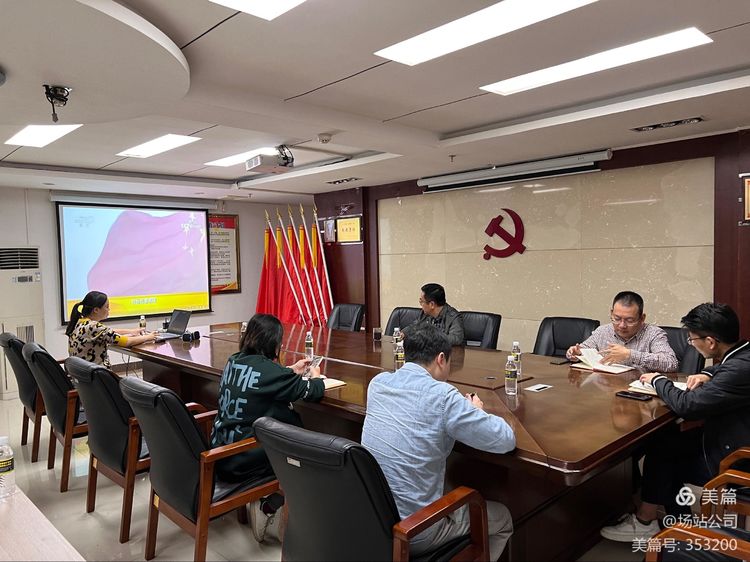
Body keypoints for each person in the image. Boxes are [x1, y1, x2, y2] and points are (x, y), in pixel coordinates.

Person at [362, 323, 515, 560]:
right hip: (414, 531)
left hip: (373, 521)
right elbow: (505, 439)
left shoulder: (378, 383)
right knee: (502, 518)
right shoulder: (443, 396)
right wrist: (476, 411)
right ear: (441, 359)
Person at [600, 302, 750, 542]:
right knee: (664, 443)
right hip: (730, 436)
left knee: (664, 457)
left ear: (710, 342)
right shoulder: (743, 353)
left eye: (692, 339)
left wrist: (658, 381)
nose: (691, 343)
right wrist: (707, 373)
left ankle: (650, 522)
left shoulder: (738, 369)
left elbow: (687, 406)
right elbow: (726, 370)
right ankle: (678, 528)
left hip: (735, 457)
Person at [210, 313, 327, 543]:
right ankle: (271, 506)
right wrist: (316, 376)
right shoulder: (269, 372)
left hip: (220, 452)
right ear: (275, 343)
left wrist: (290, 370)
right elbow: (313, 391)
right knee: (305, 451)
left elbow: (262, 377)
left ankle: (270, 504)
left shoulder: (234, 360)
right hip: (244, 460)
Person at [566, 291, 677, 372]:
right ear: (611, 313)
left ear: (642, 318)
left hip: (638, 390)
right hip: (607, 389)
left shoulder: (653, 334)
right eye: (617, 319)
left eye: (630, 320)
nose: (622, 325)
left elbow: (670, 363)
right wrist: (575, 353)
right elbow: (584, 349)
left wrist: (630, 355)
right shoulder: (603, 331)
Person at [66, 291, 157, 368]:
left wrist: (131, 332)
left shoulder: (81, 323)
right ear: (96, 310)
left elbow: (109, 332)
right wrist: (149, 337)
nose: (109, 309)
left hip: (83, 375)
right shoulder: (94, 327)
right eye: (106, 306)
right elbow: (127, 342)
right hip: (96, 377)